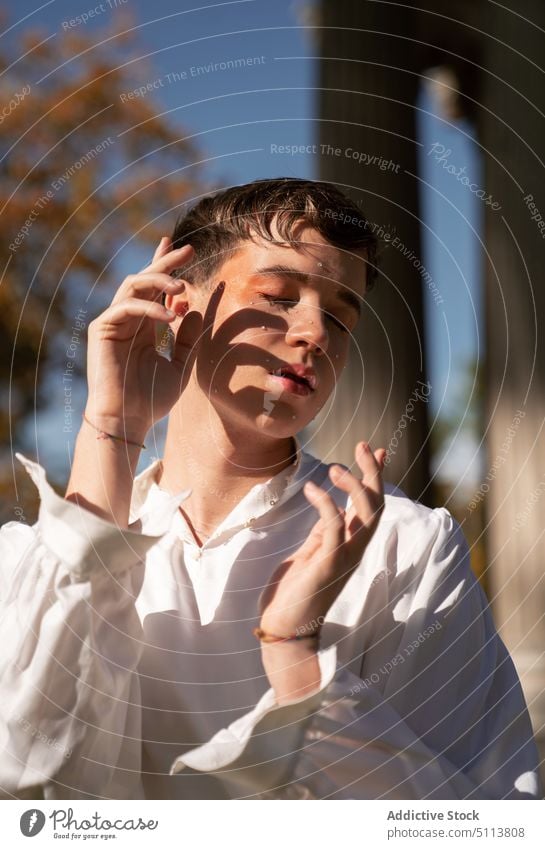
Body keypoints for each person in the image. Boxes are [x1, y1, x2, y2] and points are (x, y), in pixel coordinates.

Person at [0, 178, 541, 800]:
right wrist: (113, 429)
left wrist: (297, 664)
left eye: (340, 316)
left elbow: (489, 819)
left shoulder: (405, 549)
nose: (315, 331)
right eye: (280, 296)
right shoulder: (27, 561)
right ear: (177, 306)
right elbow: (26, 781)